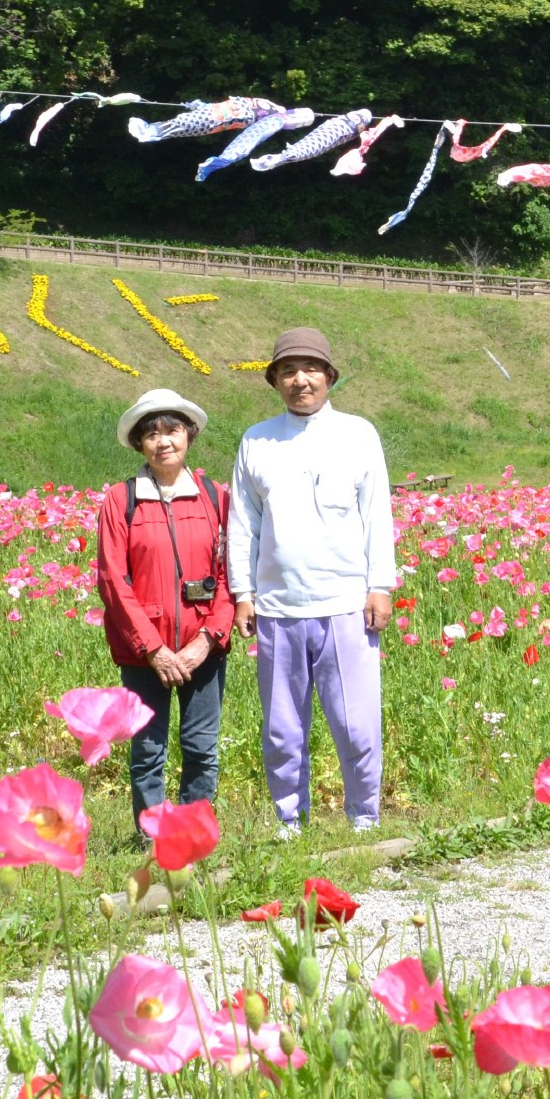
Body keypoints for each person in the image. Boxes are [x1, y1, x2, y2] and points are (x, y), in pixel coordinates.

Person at [229, 328, 397, 837]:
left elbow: (377, 513)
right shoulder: (257, 440)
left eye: (311, 369)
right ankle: (289, 821)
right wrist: (242, 594)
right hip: (278, 608)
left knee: (357, 725)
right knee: (283, 729)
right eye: (288, 371)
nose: (300, 380)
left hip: (346, 604)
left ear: (330, 376)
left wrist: (380, 585)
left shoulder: (358, 434)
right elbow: (243, 523)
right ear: (274, 381)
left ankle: (364, 818)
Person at [94, 388, 235, 833]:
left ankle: (192, 833)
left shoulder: (215, 497)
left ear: (189, 435)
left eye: (172, 430)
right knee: (148, 751)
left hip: (204, 649)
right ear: (139, 444)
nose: (163, 441)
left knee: (201, 748)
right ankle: (152, 838)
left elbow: (231, 574)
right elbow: (113, 580)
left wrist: (207, 640)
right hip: (143, 654)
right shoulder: (121, 499)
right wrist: (153, 649)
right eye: (151, 434)